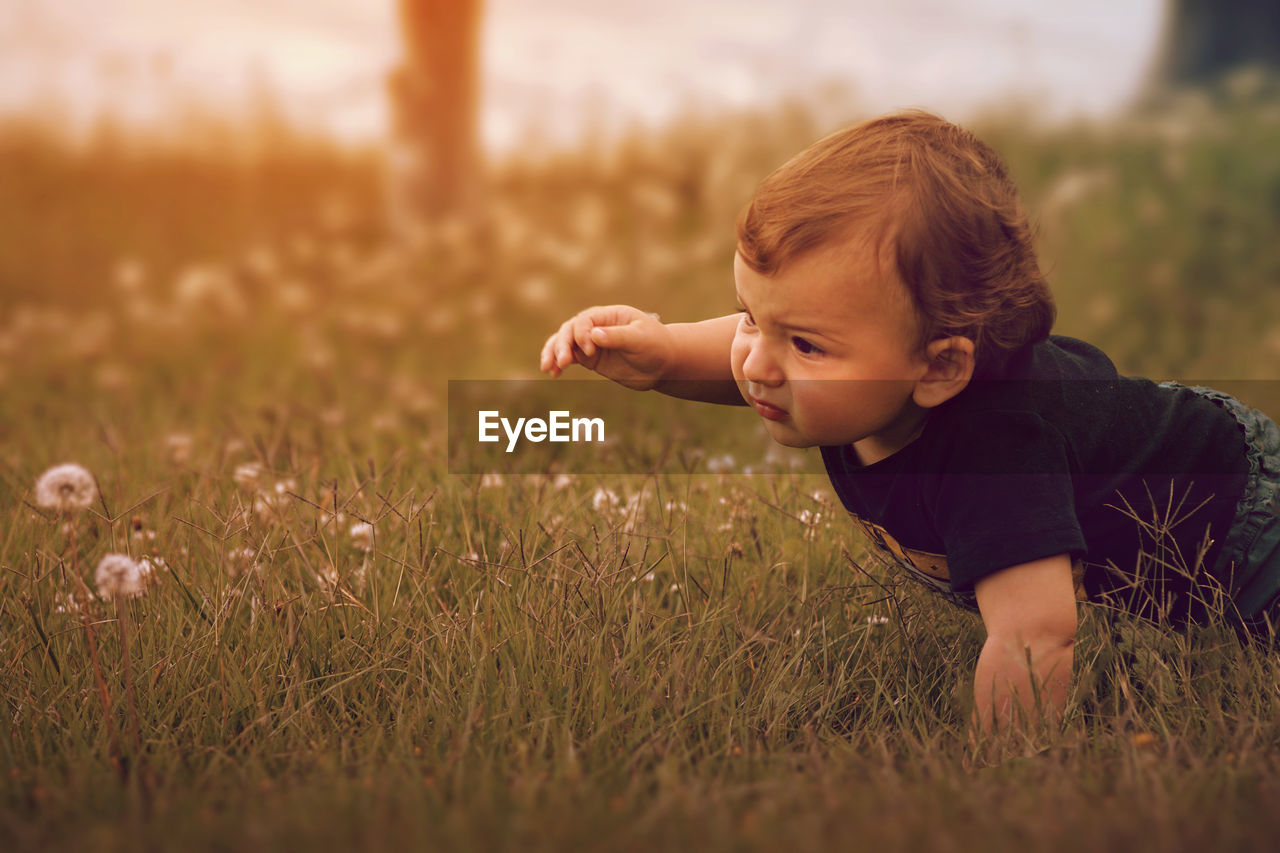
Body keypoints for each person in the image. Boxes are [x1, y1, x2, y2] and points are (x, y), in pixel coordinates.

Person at [538, 110, 1280, 747]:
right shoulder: (849, 379)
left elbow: (1035, 635)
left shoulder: (997, 455)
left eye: (804, 343)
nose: (756, 362)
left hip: (1244, 520)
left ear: (937, 369)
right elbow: (740, 358)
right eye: (750, 317)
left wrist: (998, 785)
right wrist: (661, 349)